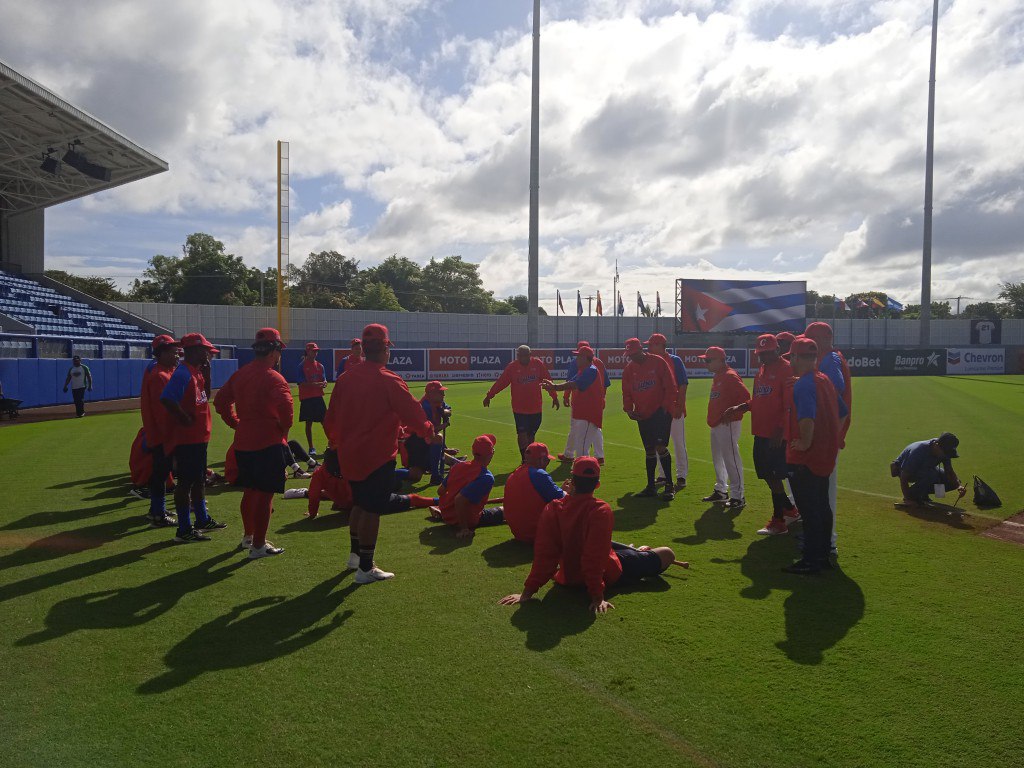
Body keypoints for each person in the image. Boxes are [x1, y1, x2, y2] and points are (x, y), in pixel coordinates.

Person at [324, 323, 441, 583]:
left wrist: (335, 441)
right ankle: (366, 566)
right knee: (371, 509)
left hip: (349, 453)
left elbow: (330, 418)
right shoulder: (388, 379)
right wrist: (429, 432)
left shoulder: (346, 378)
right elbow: (414, 414)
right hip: (376, 456)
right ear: (386, 348)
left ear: (364, 348)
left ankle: (356, 556)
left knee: (360, 503)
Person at [499, 457, 680, 613]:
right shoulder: (600, 510)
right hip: (606, 573)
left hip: (567, 576)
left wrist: (527, 593)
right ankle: (639, 553)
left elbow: (545, 554)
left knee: (608, 546)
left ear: (572, 482)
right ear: (597, 484)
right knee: (667, 553)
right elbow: (594, 557)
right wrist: (597, 595)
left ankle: (637, 552)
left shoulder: (553, 508)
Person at [213, 328, 293, 558]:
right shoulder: (273, 377)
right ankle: (258, 545)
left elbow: (221, 402)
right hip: (267, 441)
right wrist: (282, 431)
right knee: (265, 494)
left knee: (250, 491)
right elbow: (286, 411)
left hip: (244, 441)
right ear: (274, 351)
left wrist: (236, 423)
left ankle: (249, 537)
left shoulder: (241, 374)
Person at [724, 334, 800, 533]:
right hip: (760, 431)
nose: (763, 357)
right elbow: (758, 399)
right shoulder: (761, 372)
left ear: (777, 350)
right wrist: (741, 406)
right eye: (760, 353)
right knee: (767, 475)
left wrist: (781, 431)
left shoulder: (786, 369)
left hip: (775, 435)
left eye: (767, 353)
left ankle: (779, 520)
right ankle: (790, 510)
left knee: (774, 477)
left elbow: (789, 405)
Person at [782, 336, 842, 575]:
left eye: (791, 358)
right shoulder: (824, 379)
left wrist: (806, 442)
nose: (790, 362)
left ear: (797, 357)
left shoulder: (805, 383)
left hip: (806, 459)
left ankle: (812, 560)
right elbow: (842, 412)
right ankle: (823, 555)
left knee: (810, 511)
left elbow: (806, 417)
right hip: (825, 454)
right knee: (822, 507)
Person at [161, 333, 227, 543]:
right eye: (205, 350)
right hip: (188, 439)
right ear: (195, 351)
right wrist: (184, 418)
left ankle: (201, 519)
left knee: (198, 480)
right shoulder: (183, 373)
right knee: (186, 483)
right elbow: (167, 398)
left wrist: (207, 373)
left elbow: (205, 396)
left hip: (199, 437)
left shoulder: (195, 372)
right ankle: (184, 528)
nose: (208, 354)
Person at [804, 322, 852, 556]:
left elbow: (835, 393)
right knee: (819, 491)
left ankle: (828, 542)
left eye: (811, 340)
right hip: (828, 434)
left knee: (825, 493)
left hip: (828, 437)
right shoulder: (829, 358)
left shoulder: (830, 359)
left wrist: (830, 433)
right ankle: (821, 538)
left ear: (822, 339)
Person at [621, 338, 678, 500]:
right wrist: (629, 410)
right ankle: (651, 486)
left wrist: (665, 407)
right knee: (649, 449)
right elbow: (627, 393)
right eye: (629, 355)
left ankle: (669, 485)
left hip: (660, 412)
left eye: (634, 354)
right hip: (642, 414)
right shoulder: (629, 370)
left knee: (660, 446)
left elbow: (670, 386)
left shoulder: (658, 362)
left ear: (641, 350)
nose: (632, 357)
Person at [484, 345, 559, 459]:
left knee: (531, 435)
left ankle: (529, 457)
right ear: (517, 355)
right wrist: (489, 395)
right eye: (520, 355)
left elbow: (547, 380)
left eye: (525, 355)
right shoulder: (512, 367)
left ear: (530, 355)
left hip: (536, 407)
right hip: (519, 408)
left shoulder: (538, 364)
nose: (522, 358)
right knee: (522, 434)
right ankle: (524, 459)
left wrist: (554, 396)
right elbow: (501, 382)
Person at [138, 335, 181, 526]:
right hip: (163, 434)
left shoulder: (162, 371)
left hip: (161, 433)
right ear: (162, 353)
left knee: (162, 473)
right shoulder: (160, 376)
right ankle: (157, 513)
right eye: (173, 351)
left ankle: (158, 509)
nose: (177, 354)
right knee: (161, 473)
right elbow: (163, 411)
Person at [701, 346, 750, 508]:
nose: (706, 363)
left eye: (709, 360)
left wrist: (734, 412)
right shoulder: (718, 376)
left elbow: (746, 398)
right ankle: (721, 490)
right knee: (718, 459)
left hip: (728, 424)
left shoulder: (730, 376)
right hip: (716, 424)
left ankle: (738, 496)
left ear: (720, 360)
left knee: (731, 459)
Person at [430, 434, 504, 538]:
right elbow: (459, 500)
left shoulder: (458, 466)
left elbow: (441, 491)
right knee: (505, 510)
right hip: (468, 520)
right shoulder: (486, 477)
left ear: (473, 451)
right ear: (491, 454)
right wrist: (464, 528)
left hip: (447, 515)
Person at [543, 346, 606, 464]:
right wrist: (554, 386)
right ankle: (580, 469)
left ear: (585, 358)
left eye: (578, 356)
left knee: (582, 447)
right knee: (580, 443)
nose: (576, 359)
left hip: (588, 415)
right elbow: (570, 383)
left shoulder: (591, 370)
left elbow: (575, 384)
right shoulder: (584, 369)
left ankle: (584, 476)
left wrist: (554, 387)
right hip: (582, 413)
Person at [501, 442, 566, 543]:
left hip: (519, 533)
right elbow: (561, 499)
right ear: (540, 460)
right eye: (547, 460)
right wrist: (568, 491)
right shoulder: (539, 474)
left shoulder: (514, 474)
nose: (547, 464)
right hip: (537, 533)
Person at [647, 333, 689, 488]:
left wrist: (679, 406)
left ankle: (681, 476)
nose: (648, 348)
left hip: (673, 408)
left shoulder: (674, 360)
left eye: (651, 345)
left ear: (659, 345)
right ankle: (663, 475)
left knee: (678, 442)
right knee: (659, 442)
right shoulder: (651, 362)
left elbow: (683, 385)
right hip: (657, 410)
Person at [558, 341, 609, 462]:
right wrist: (602, 397)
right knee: (593, 432)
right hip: (592, 403)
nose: (576, 358)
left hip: (585, 407)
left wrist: (564, 395)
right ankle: (599, 456)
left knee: (581, 439)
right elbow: (605, 383)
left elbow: (571, 382)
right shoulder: (595, 364)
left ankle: (579, 465)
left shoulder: (588, 368)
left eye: (578, 355)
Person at [397, 380, 450, 487]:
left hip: (424, 439)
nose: (443, 395)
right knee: (438, 437)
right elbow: (428, 430)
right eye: (440, 392)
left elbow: (448, 408)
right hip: (414, 442)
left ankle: (437, 467)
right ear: (430, 394)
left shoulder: (438, 403)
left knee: (416, 476)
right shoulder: (423, 407)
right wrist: (443, 426)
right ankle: (435, 475)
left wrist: (445, 411)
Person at [892, 433, 965, 506]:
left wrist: (959, 486)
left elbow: (949, 472)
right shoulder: (918, 451)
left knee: (952, 482)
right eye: (945, 453)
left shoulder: (944, 450)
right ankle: (912, 495)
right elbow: (904, 476)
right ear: (937, 445)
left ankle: (922, 493)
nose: (945, 456)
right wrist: (908, 499)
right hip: (904, 469)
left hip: (927, 468)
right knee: (932, 475)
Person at [297, 342, 328, 457]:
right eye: (312, 351)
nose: (315, 353)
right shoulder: (302, 366)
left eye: (316, 351)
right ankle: (311, 448)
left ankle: (331, 444)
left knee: (325, 422)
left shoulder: (320, 366)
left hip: (318, 397)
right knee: (308, 423)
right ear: (307, 352)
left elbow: (324, 379)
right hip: (307, 398)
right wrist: (318, 384)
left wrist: (323, 383)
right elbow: (301, 383)